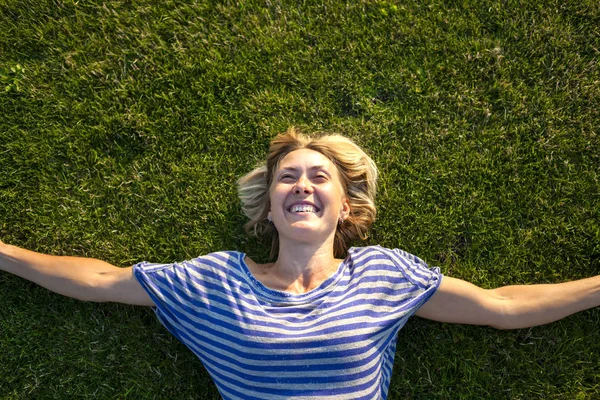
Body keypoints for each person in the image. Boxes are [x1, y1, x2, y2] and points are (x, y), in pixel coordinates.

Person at [1, 127, 599, 399]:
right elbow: (100, 280)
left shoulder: (383, 275)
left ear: (345, 207)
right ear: (269, 208)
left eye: (320, 177)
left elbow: (501, 306)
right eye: (288, 177)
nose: (303, 185)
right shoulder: (213, 283)